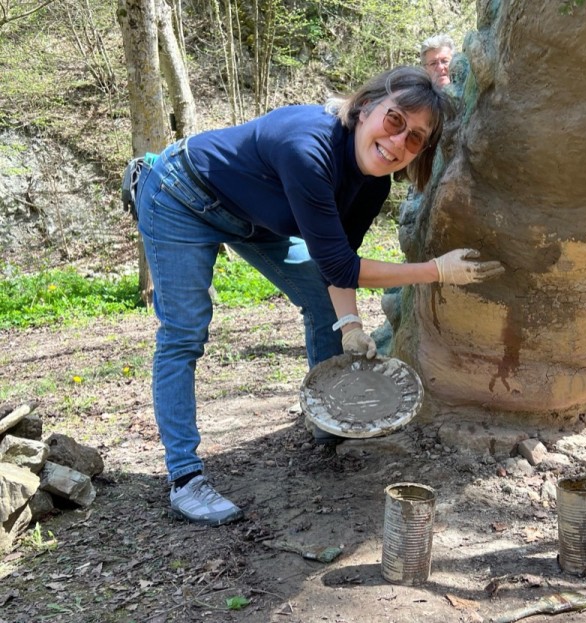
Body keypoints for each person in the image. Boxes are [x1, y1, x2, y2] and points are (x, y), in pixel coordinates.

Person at [127, 66, 504, 526]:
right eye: (394, 121)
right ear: (366, 108)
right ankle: (185, 479)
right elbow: (341, 268)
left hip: (257, 218)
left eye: (415, 139)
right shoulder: (307, 147)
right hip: (181, 195)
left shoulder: (373, 183)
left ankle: (333, 424)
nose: (398, 143)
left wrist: (350, 325)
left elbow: (339, 261)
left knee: (326, 306)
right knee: (185, 333)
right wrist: (437, 271)